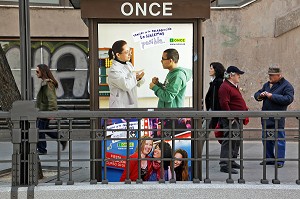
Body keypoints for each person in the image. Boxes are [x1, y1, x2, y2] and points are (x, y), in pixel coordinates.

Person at [254, 66, 294, 168]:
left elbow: (288, 99)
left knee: (279, 139)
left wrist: (271, 96)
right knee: (266, 139)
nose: (270, 77)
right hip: (266, 117)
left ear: (279, 75)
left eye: (272, 75)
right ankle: (269, 159)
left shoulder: (287, 86)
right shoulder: (267, 85)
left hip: (278, 118)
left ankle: (279, 161)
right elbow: (257, 94)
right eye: (269, 75)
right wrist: (260, 95)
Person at [218, 66, 248, 174]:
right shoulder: (225, 87)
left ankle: (232, 160)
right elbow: (224, 103)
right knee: (229, 141)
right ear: (231, 75)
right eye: (238, 74)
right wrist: (230, 118)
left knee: (236, 141)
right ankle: (225, 164)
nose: (239, 76)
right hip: (231, 119)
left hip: (237, 118)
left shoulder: (233, 86)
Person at [36, 64, 67, 155]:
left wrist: (52, 112)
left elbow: (52, 98)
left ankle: (42, 149)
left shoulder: (48, 83)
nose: (36, 73)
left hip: (45, 112)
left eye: (37, 71)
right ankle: (61, 139)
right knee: (44, 128)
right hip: (43, 111)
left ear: (43, 71)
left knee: (40, 130)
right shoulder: (45, 83)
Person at [107, 40, 145, 108]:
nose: (130, 54)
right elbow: (126, 85)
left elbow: (136, 83)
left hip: (131, 104)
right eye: (127, 52)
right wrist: (134, 74)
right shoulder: (114, 71)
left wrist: (139, 78)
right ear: (118, 55)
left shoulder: (129, 65)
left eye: (130, 51)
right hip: (120, 106)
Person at [204, 62, 225, 129]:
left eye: (211, 68)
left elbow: (216, 98)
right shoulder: (215, 81)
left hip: (214, 110)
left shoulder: (218, 82)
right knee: (205, 128)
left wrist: (213, 110)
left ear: (216, 70)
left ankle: (201, 140)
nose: (209, 70)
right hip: (212, 110)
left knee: (204, 129)